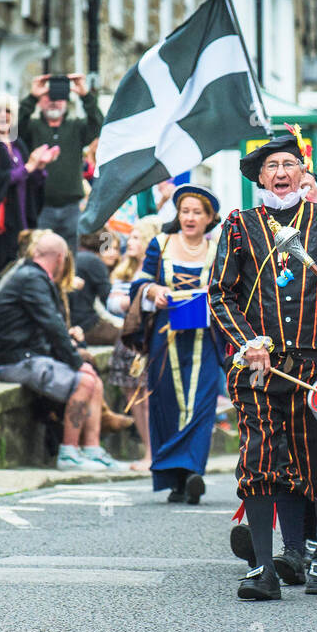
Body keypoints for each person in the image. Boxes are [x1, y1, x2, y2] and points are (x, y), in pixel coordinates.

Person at [208, 132, 317, 601]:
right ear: (260, 177)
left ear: (302, 171)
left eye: (289, 164)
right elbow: (220, 293)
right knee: (260, 461)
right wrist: (248, 341)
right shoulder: (238, 225)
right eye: (272, 167)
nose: (281, 173)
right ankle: (264, 567)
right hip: (259, 369)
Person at [0, 231, 123, 471]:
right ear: (61, 258)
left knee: (94, 381)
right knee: (84, 380)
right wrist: (75, 361)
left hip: (31, 357)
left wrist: (73, 343)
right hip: (17, 361)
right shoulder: (32, 279)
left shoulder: (34, 277)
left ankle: (92, 450)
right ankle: (69, 453)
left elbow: (51, 326)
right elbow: (51, 324)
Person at [129, 186, 225, 504]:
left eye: (197, 212)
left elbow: (230, 289)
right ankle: (175, 478)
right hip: (165, 337)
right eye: (185, 211)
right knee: (167, 404)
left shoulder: (218, 249)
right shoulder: (161, 243)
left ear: (209, 219)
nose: (190, 217)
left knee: (200, 405)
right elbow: (139, 282)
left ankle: (192, 470)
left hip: (206, 340)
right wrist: (153, 291)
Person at [0, 92, 57, 270]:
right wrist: (27, 168)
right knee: (1, 271)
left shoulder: (18, 144)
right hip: (0, 225)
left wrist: (40, 166)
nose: (3, 115)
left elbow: (31, 181)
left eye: (8, 111)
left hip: (23, 221)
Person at [19, 74, 103, 250]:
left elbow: (98, 124)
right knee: (40, 252)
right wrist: (32, 96)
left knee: (69, 256)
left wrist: (85, 95)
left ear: (66, 101)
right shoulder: (32, 128)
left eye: (58, 97)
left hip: (71, 208)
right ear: (40, 102)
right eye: (48, 97)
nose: (53, 101)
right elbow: (14, 128)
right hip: (41, 207)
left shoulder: (76, 127)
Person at [107, 217, 163, 471]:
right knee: (134, 397)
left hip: (150, 338)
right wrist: (138, 299)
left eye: (137, 237)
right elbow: (113, 304)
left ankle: (157, 452)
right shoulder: (124, 268)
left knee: (151, 397)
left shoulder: (158, 269)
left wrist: (132, 300)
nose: (130, 242)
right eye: (130, 237)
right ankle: (148, 451)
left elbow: (144, 304)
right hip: (128, 339)